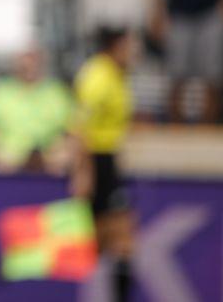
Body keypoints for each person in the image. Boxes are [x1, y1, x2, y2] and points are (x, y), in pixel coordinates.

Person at [71, 26, 135, 302]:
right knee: (109, 237)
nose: (134, 53)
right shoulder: (97, 76)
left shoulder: (116, 75)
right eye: (130, 47)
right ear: (116, 47)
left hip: (109, 161)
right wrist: (83, 172)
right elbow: (79, 128)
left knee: (120, 239)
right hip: (96, 162)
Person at [0, 48, 74, 174]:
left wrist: (59, 158)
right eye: (25, 67)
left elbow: (71, 136)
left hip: (50, 166)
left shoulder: (57, 93)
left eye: (34, 65)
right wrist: (0, 161)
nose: (30, 70)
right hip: (8, 167)